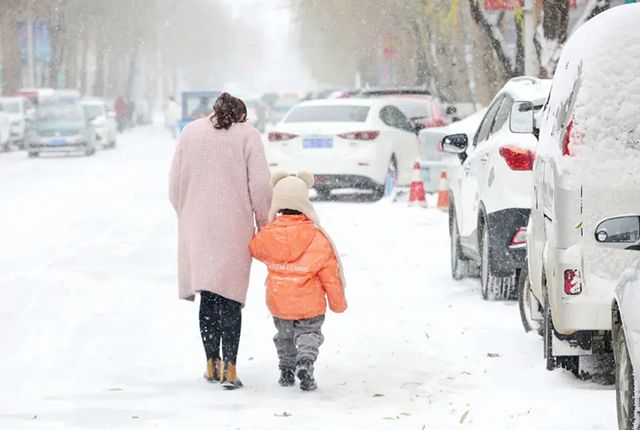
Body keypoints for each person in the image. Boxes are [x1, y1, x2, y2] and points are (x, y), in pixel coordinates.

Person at [169, 92, 272, 390]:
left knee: (209, 297)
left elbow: (174, 186)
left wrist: (187, 213)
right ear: (241, 114)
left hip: (197, 227)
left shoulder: (190, 133)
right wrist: (263, 221)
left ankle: (210, 363)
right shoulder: (248, 136)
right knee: (230, 298)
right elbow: (262, 186)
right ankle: (230, 369)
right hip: (235, 228)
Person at [250, 172, 347, 391]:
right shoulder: (317, 237)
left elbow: (254, 249)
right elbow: (330, 275)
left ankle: (286, 370)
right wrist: (337, 303)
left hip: (279, 299)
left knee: (284, 336)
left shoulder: (268, 235)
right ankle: (305, 360)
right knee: (309, 333)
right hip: (309, 303)